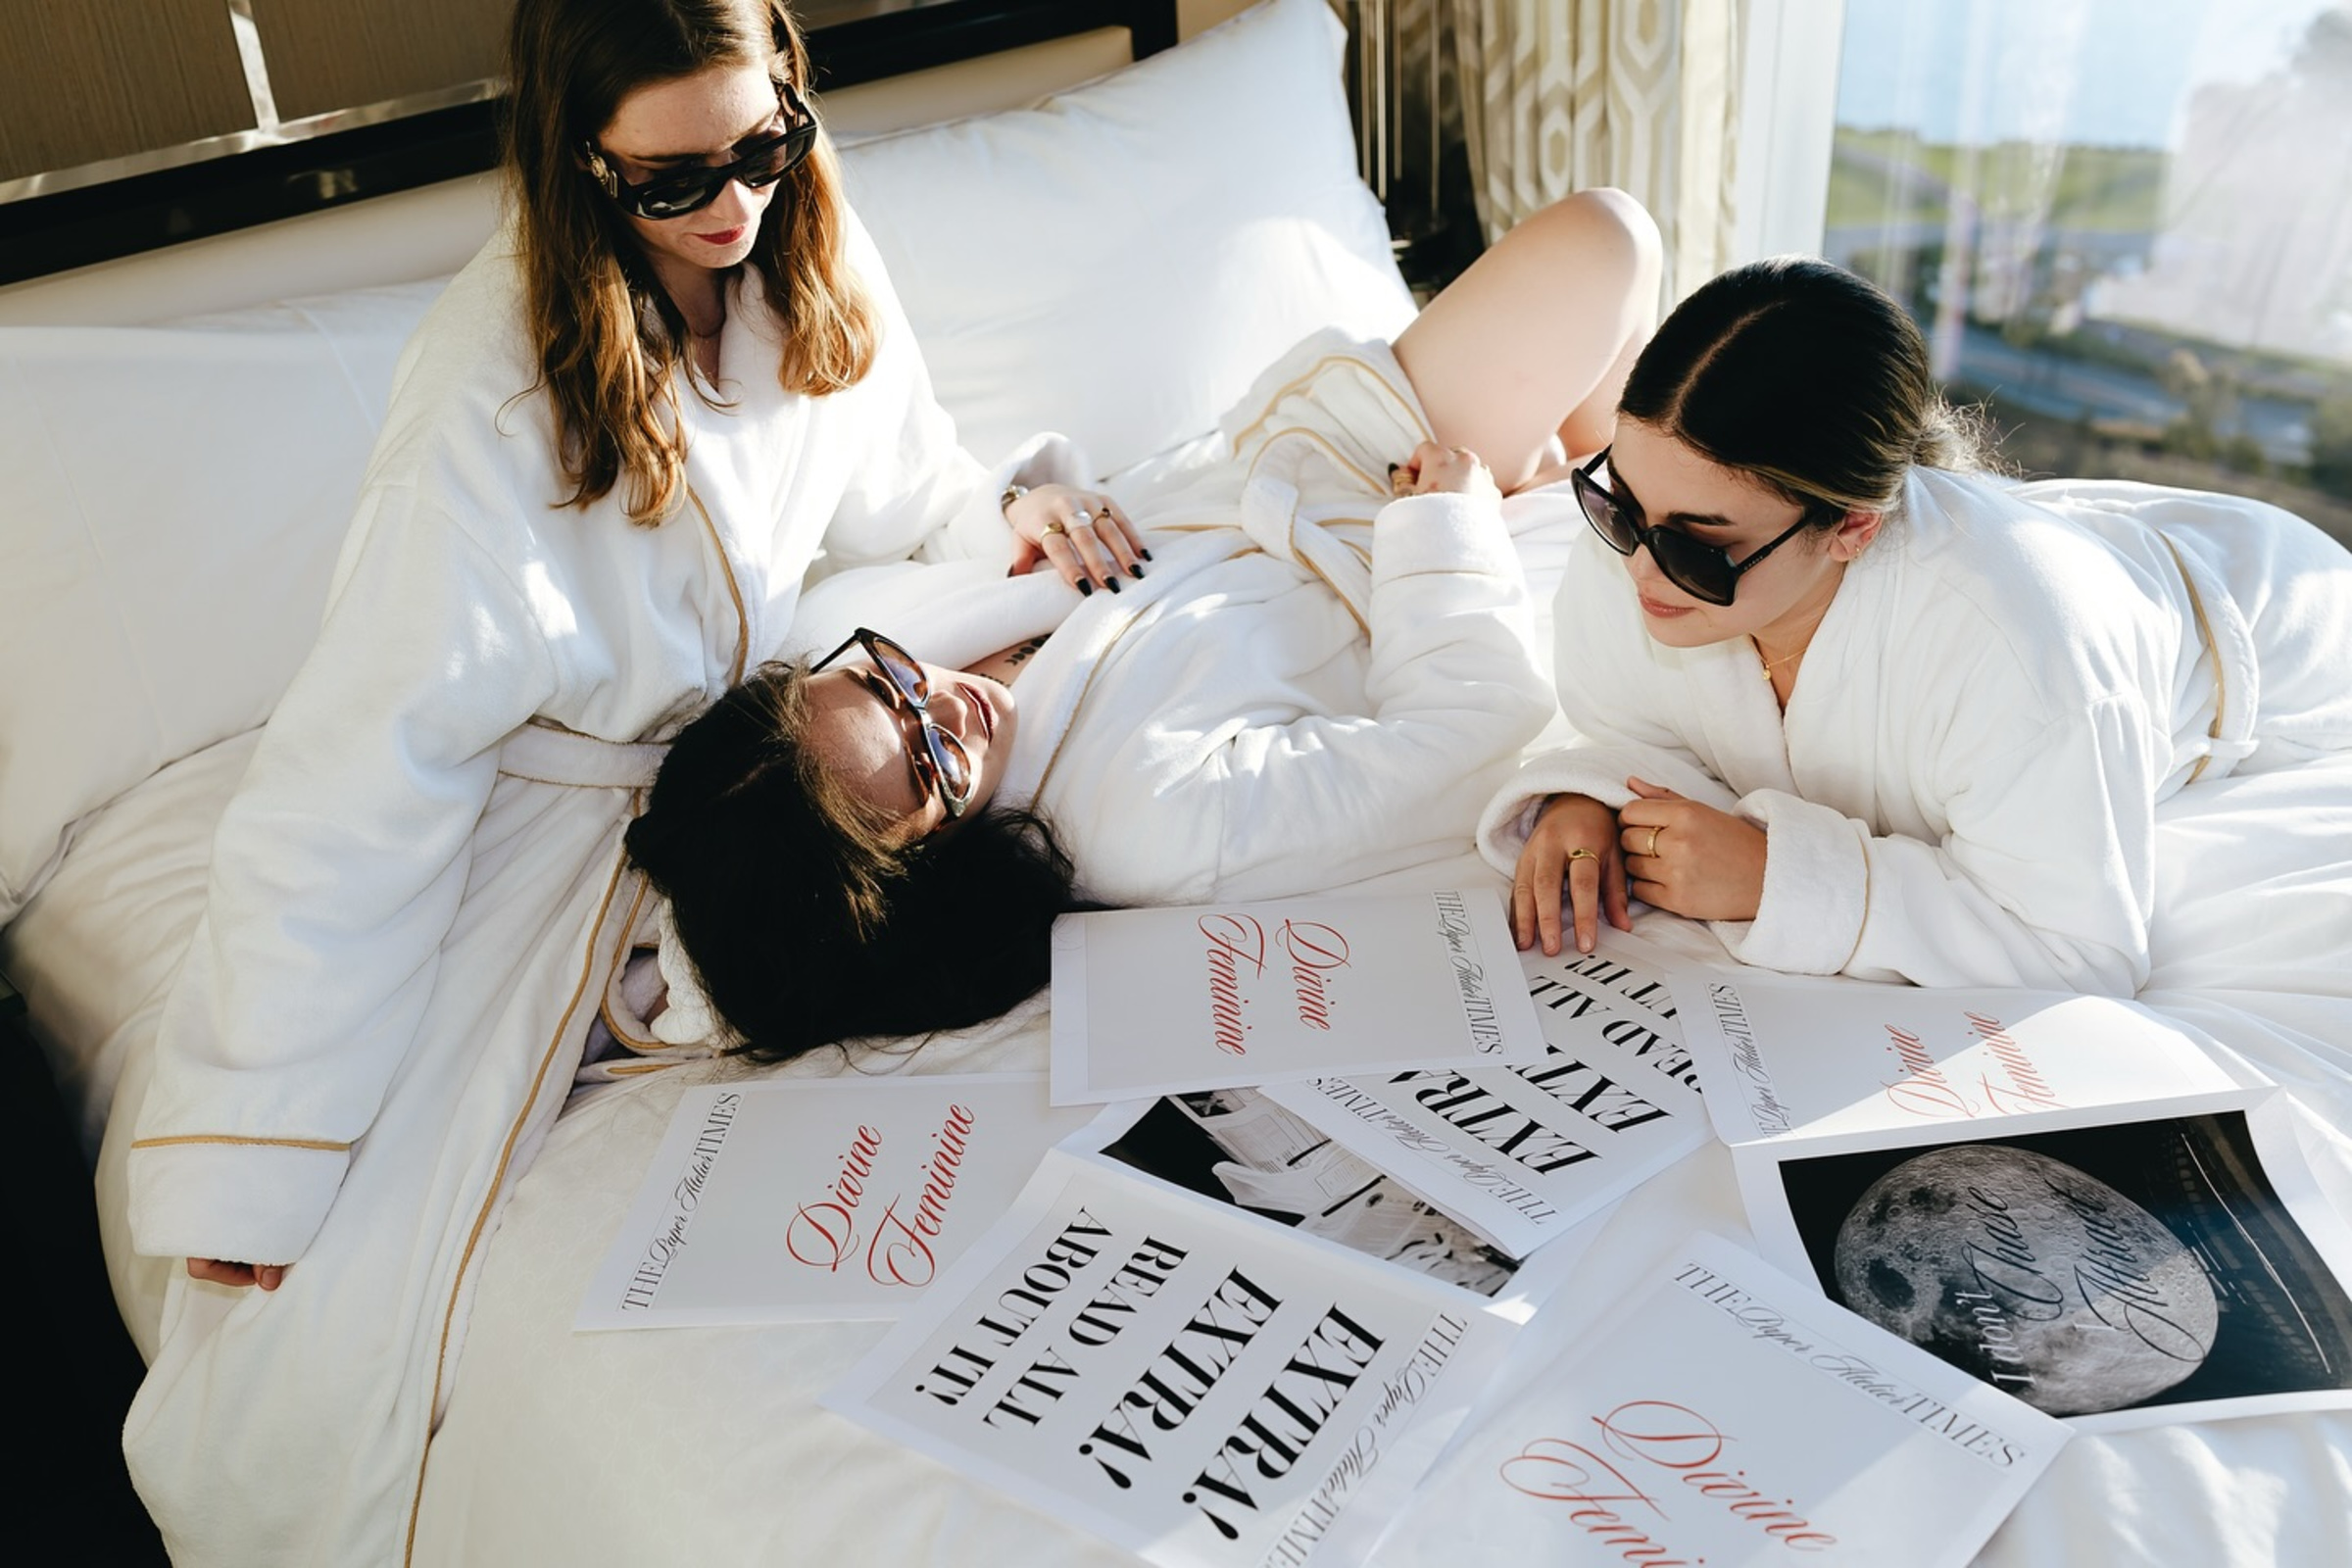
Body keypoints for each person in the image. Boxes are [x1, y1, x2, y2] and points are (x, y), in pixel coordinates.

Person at [117, 0, 1130, 1558]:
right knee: (337, 1333)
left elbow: (906, 485)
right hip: (535, 809)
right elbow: (355, 781)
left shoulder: (804, 256)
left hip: (759, 721)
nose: (731, 207)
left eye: (764, 147)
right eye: (672, 183)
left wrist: (1014, 505)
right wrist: (255, 1145)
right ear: (583, 164)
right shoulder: (491, 405)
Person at [624, 188, 1667, 1060]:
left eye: (888, 683)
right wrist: (1445, 523)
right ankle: (1578, 497)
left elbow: (934, 525)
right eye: (934, 760)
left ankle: (1579, 481)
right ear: (924, 873)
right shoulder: (1159, 827)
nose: (954, 701)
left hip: (1293, 450)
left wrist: (1017, 507)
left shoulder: (847, 626)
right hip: (1380, 523)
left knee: (1611, 243)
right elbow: (1465, 745)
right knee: (1614, 262)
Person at [1483, 256, 2352, 995]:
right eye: (1619, 506)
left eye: (1700, 545)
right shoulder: (1648, 549)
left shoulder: (2023, 656)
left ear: (1852, 527)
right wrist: (1587, 800)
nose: (1637, 566)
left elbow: (2078, 949)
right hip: (2066, 547)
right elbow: (1641, 736)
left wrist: (1778, 878)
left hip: (2289, 633)